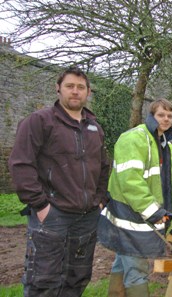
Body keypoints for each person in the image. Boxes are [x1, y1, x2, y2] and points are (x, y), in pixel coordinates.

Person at [8, 66, 110, 297]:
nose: (75, 92)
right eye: (70, 86)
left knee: (77, 279)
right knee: (43, 282)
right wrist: (41, 206)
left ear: (88, 92)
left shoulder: (94, 127)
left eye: (80, 87)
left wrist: (100, 200)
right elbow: (21, 164)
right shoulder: (40, 121)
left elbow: (103, 166)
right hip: (53, 216)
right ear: (58, 89)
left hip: (86, 218)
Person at [97, 98, 172, 297]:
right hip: (129, 216)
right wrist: (153, 211)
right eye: (161, 115)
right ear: (151, 116)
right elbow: (130, 181)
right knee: (137, 270)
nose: (166, 119)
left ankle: (115, 293)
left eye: (170, 116)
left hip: (144, 215)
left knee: (122, 260)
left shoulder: (167, 148)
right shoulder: (134, 138)